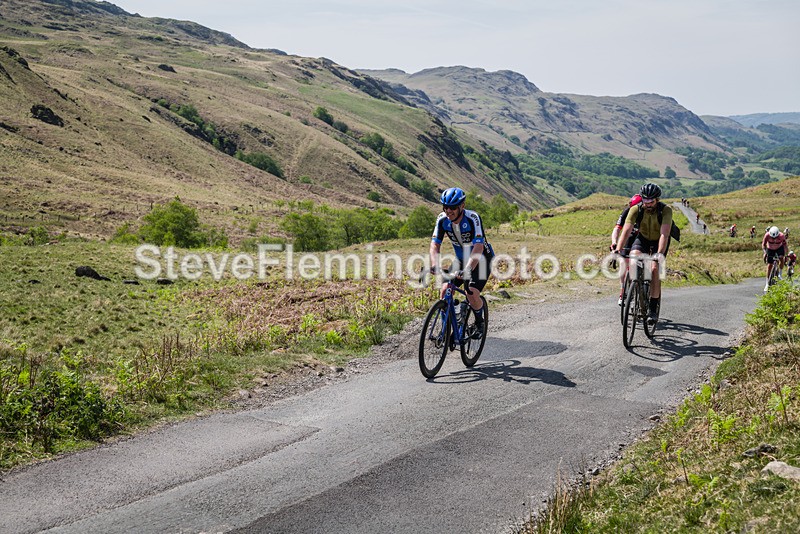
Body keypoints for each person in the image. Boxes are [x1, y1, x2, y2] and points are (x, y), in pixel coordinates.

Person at [430, 187, 495, 335]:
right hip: (461, 258)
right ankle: (446, 329)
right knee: (445, 289)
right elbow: (435, 244)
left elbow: (478, 246)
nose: (448, 211)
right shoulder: (442, 220)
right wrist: (434, 264)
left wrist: (467, 270)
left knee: (471, 292)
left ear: (462, 206)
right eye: (445, 207)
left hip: (482, 259)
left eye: (452, 207)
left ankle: (479, 323)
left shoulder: (473, 218)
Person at [613, 183, 673, 325]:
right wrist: (618, 249)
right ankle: (636, 292)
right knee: (633, 263)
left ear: (657, 200)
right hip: (643, 239)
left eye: (651, 202)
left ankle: (652, 308)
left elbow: (664, 234)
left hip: (659, 240)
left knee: (654, 269)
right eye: (645, 201)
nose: (648, 205)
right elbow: (626, 231)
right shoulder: (636, 209)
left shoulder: (665, 210)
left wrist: (659, 254)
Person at [610, 194, 642, 305]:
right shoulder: (626, 211)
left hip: (641, 240)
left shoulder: (644, 212)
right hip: (629, 239)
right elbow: (617, 229)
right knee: (624, 263)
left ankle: (642, 289)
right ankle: (623, 292)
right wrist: (614, 242)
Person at [762, 226, 788, 291]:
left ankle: (780, 274)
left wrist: (785, 254)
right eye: (772, 237)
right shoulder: (767, 235)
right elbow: (763, 244)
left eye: (775, 237)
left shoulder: (781, 236)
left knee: (781, 259)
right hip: (770, 249)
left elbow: (785, 245)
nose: (774, 239)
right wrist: (765, 252)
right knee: (769, 265)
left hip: (779, 248)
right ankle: (767, 284)